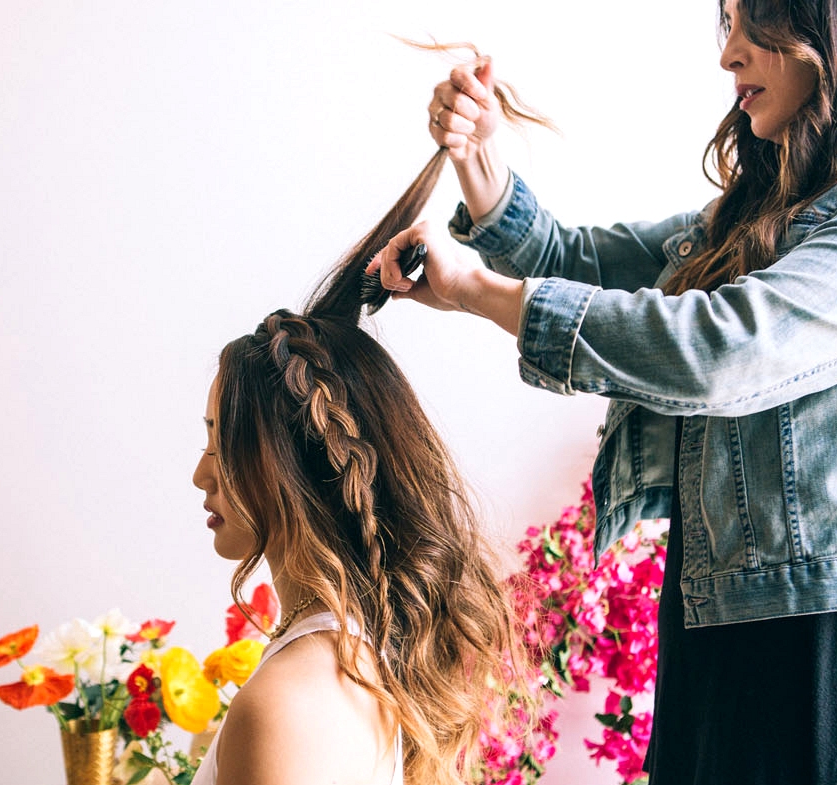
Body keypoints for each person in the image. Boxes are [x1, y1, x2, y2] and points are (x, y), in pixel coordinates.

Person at [368, 1, 837, 782]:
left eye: (757, 24)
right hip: (716, 618)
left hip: (807, 638)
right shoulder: (747, 221)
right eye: (728, 25)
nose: (730, 56)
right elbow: (570, 258)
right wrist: (478, 159)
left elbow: (717, 348)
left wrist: (479, 293)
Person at [188, 147, 537, 784]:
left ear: (280, 462)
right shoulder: (346, 658)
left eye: (219, 442)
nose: (201, 475)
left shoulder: (290, 702)